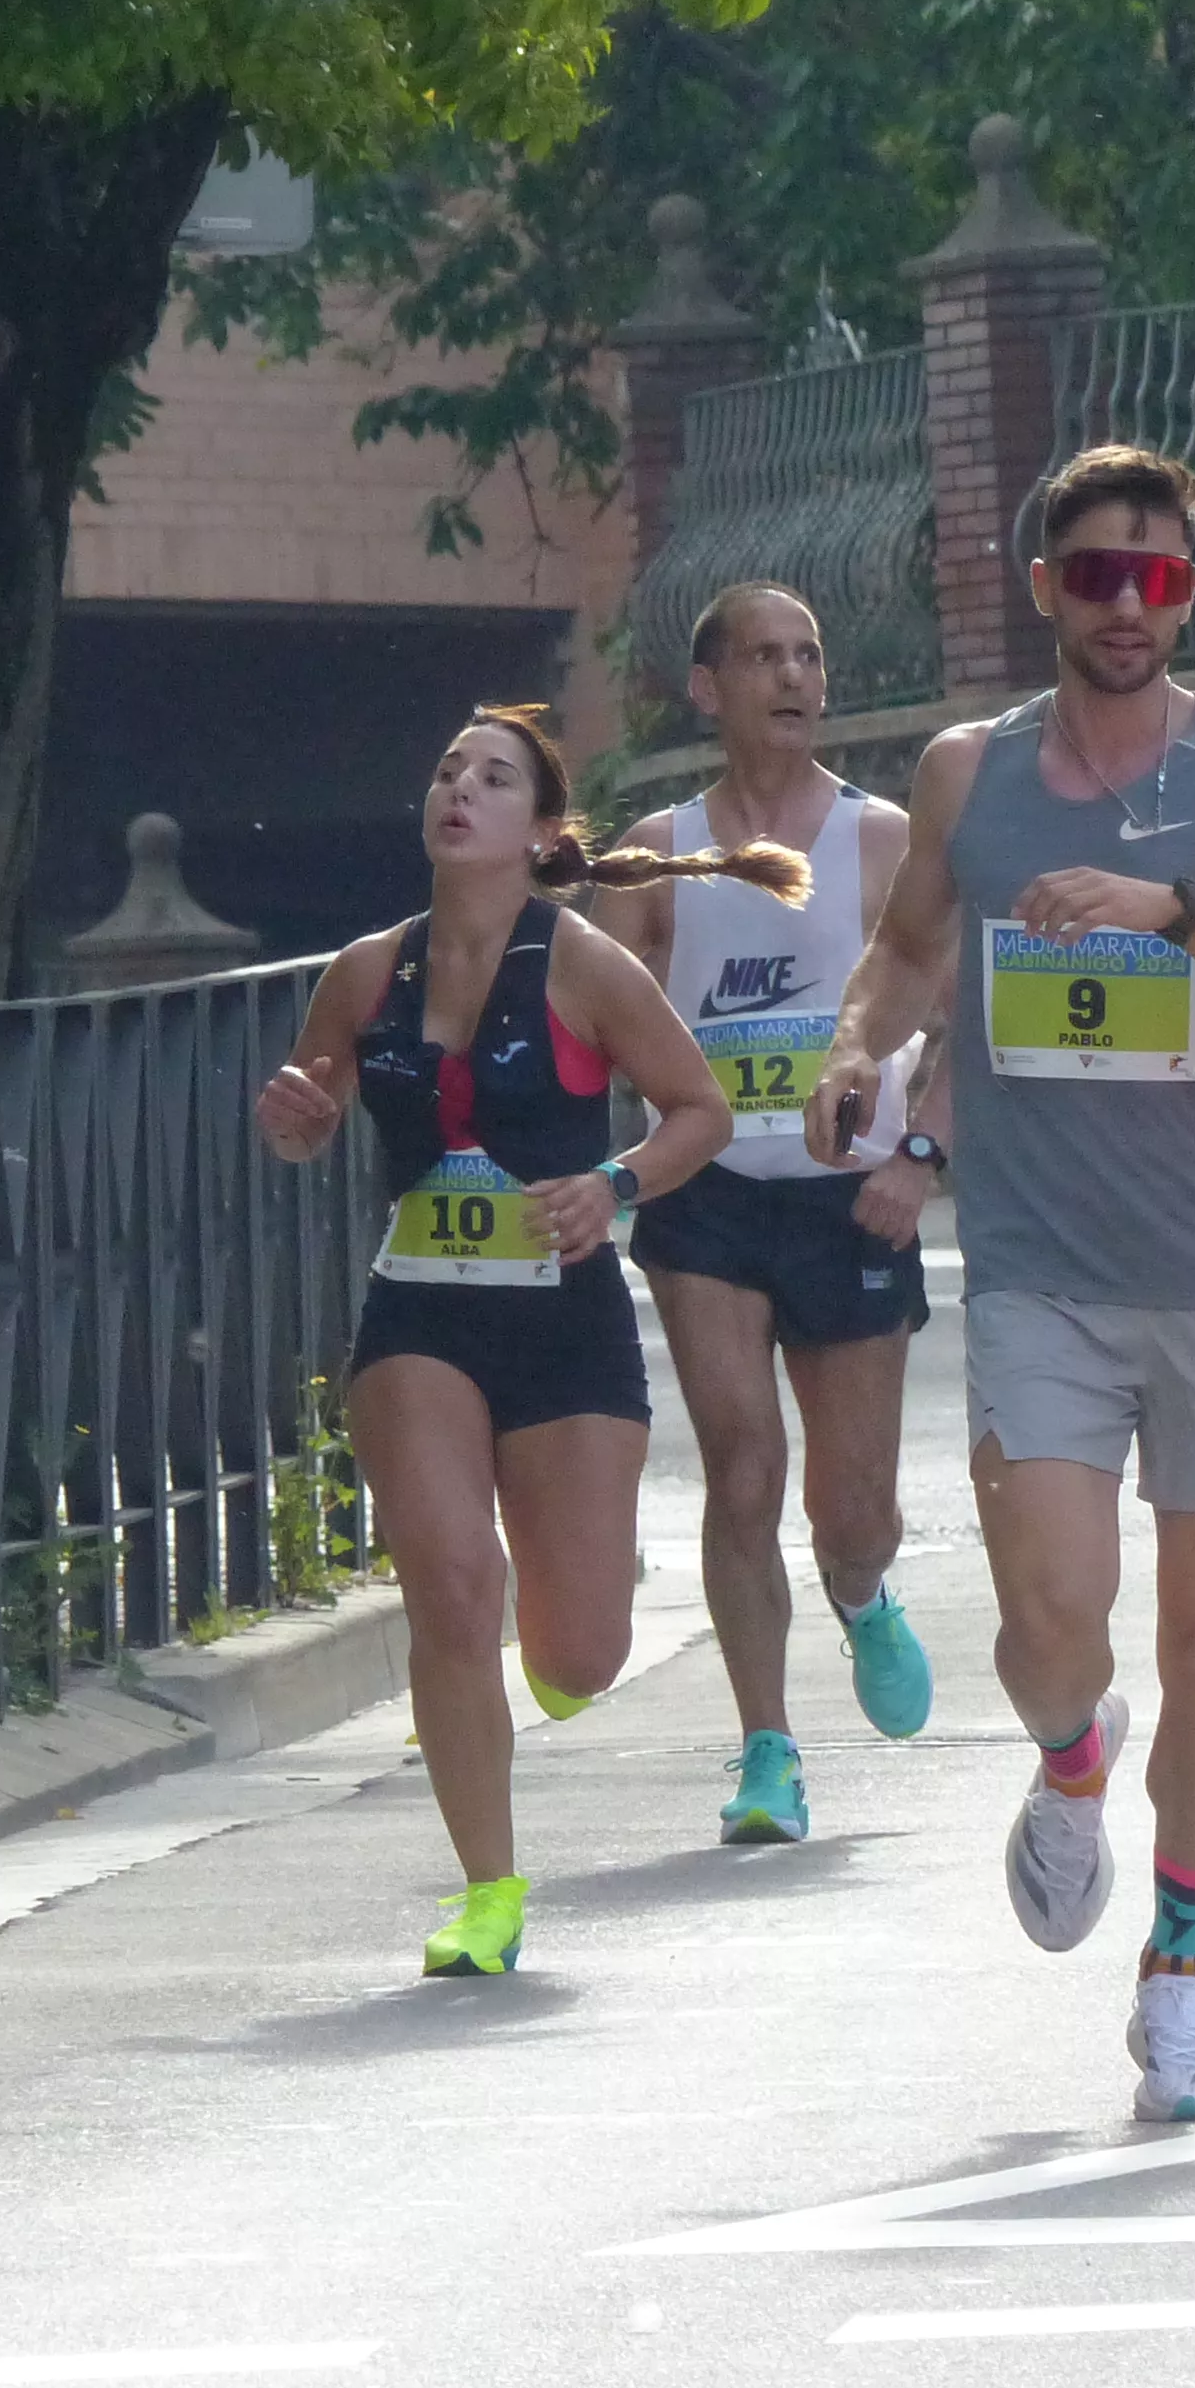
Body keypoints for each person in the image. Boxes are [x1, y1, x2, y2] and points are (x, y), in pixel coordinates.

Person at [810, 443, 1195, 2125]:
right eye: (1099, 574)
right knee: (1052, 1620)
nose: (1131, 604)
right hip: (1041, 1267)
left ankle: (1181, 1976)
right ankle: (1071, 1755)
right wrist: (861, 1047)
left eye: (1164, 576)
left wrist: (1176, 914)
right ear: (1043, 583)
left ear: (1189, 590)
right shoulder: (971, 775)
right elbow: (915, 947)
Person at [256, 707, 800, 1979]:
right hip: (419, 1317)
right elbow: (308, 1120)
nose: (459, 790)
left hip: (563, 1321)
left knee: (579, 1650)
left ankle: (561, 1662)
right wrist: (295, 1117)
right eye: (447, 769)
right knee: (452, 1592)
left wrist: (610, 1185)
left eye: (493, 778)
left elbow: (698, 1114)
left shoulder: (584, 965)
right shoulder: (362, 970)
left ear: (541, 831)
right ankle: (486, 1892)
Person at [598, 581, 947, 1845]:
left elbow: (964, 1007)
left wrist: (916, 1154)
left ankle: (862, 1594)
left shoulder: (883, 842)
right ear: (708, 688)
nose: (794, 678)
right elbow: (593, 1023)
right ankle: (766, 1752)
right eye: (763, 657)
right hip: (709, 1202)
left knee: (850, 1510)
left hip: (853, 1201)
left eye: (809, 654)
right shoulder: (660, 855)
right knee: (741, 1464)